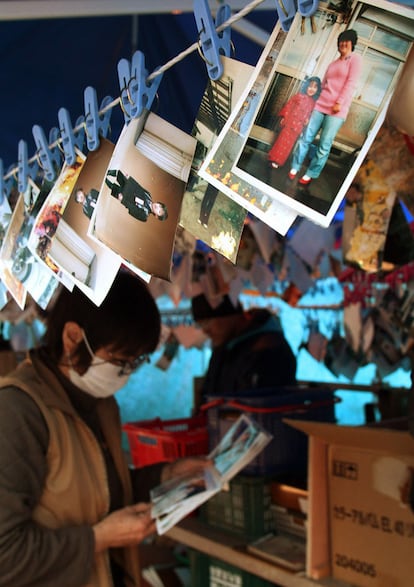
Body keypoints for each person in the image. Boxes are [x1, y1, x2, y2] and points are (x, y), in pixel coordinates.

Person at [0, 270, 209, 587]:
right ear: (72, 337)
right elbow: (6, 557)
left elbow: (103, 492)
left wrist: (168, 475)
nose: (124, 375)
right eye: (119, 361)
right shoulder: (18, 412)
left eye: (134, 364)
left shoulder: (99, 402)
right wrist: (98, 539)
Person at [289, 29, 362, 185]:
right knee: (306, 137)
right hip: (320, 105)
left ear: (352, 43)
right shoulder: (333, 64)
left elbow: (351, 84)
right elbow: (323, 85)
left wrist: (339, 102)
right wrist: (314, 101)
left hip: (337, 110)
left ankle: (311, 173)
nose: (343, 43)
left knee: (324, 144)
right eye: (341, 41)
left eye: (347, 41)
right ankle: (295, 166)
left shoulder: (355, 60)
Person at [191, 293, 297, 401]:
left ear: (229, 314)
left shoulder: (269, 348)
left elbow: (259, 407)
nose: (205, 330)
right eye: (200, 325)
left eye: (207, 322)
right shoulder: (224, 347)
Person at [267, 76, 322, 169]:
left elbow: (311, 115)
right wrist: (284, 117)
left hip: (298, 128)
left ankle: (279, 161)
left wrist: (308, 120)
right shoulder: (298, 96)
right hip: (289, 123)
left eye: (314, 87)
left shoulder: (313, 103)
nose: (311, 89)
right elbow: (289, 106)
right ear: (306, 86)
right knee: (281, 141)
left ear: (318, 90)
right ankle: (273, 157)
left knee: (288, 145)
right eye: (310, 86)